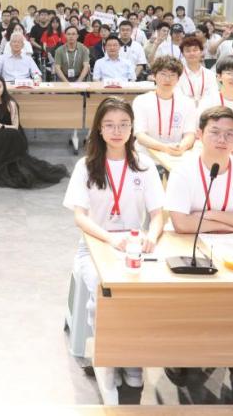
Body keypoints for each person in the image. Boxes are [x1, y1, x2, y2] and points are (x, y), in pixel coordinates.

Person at [62, 97, 165, 390]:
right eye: (109, 125)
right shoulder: (86, 166)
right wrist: (110, 239)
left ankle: (132, 357)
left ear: (132, 128)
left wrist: (151, 236)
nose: (117, 131)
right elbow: (80, 218)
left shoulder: (144, 165)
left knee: (145, 294)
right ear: (99, 129)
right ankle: (109, 357)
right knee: (103, 290)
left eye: (123, 124)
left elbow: (158, 214)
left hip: (135, 245)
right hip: (95, 244)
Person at [164, 106, 233, 234]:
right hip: (189, 241)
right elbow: (181, 224)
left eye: (229, 134)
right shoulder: (182, 170)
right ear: (200, 135)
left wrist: (212, 214)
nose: (222, 140)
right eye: (215, 132)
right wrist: (227, 227)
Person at [133, 57, 196, 156]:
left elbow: (190, 134)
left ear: (178, 78)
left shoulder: (188, 103)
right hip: (146, 154)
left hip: (176, 154)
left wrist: (182, 147)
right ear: (154, 76)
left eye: (172, 75)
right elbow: (140, 135)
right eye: (163, 74)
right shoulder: (141, 101)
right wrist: (164, 148)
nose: (167, 79)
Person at [177, 36, 217, 104]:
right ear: (183, 54)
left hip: (206, 109)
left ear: (201, 52)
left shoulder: (210, 74)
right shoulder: (177, 75)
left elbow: (213, 96)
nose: (192, 53)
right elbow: (178, 97)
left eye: (195, 50)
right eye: (188, 51)